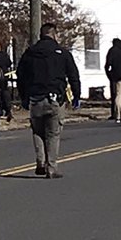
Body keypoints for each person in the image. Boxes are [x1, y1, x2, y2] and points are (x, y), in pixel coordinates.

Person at [17, 22, 81, 179]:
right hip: (55, 98)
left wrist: (23, 97)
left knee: (37, 131)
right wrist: (76, 96)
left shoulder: (30, 53)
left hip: (35, 98)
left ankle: (40, 162)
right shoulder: (62, 53)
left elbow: (21, 76)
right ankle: (51, 168)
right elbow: (73, 75)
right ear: (54, 34)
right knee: (53, 134)